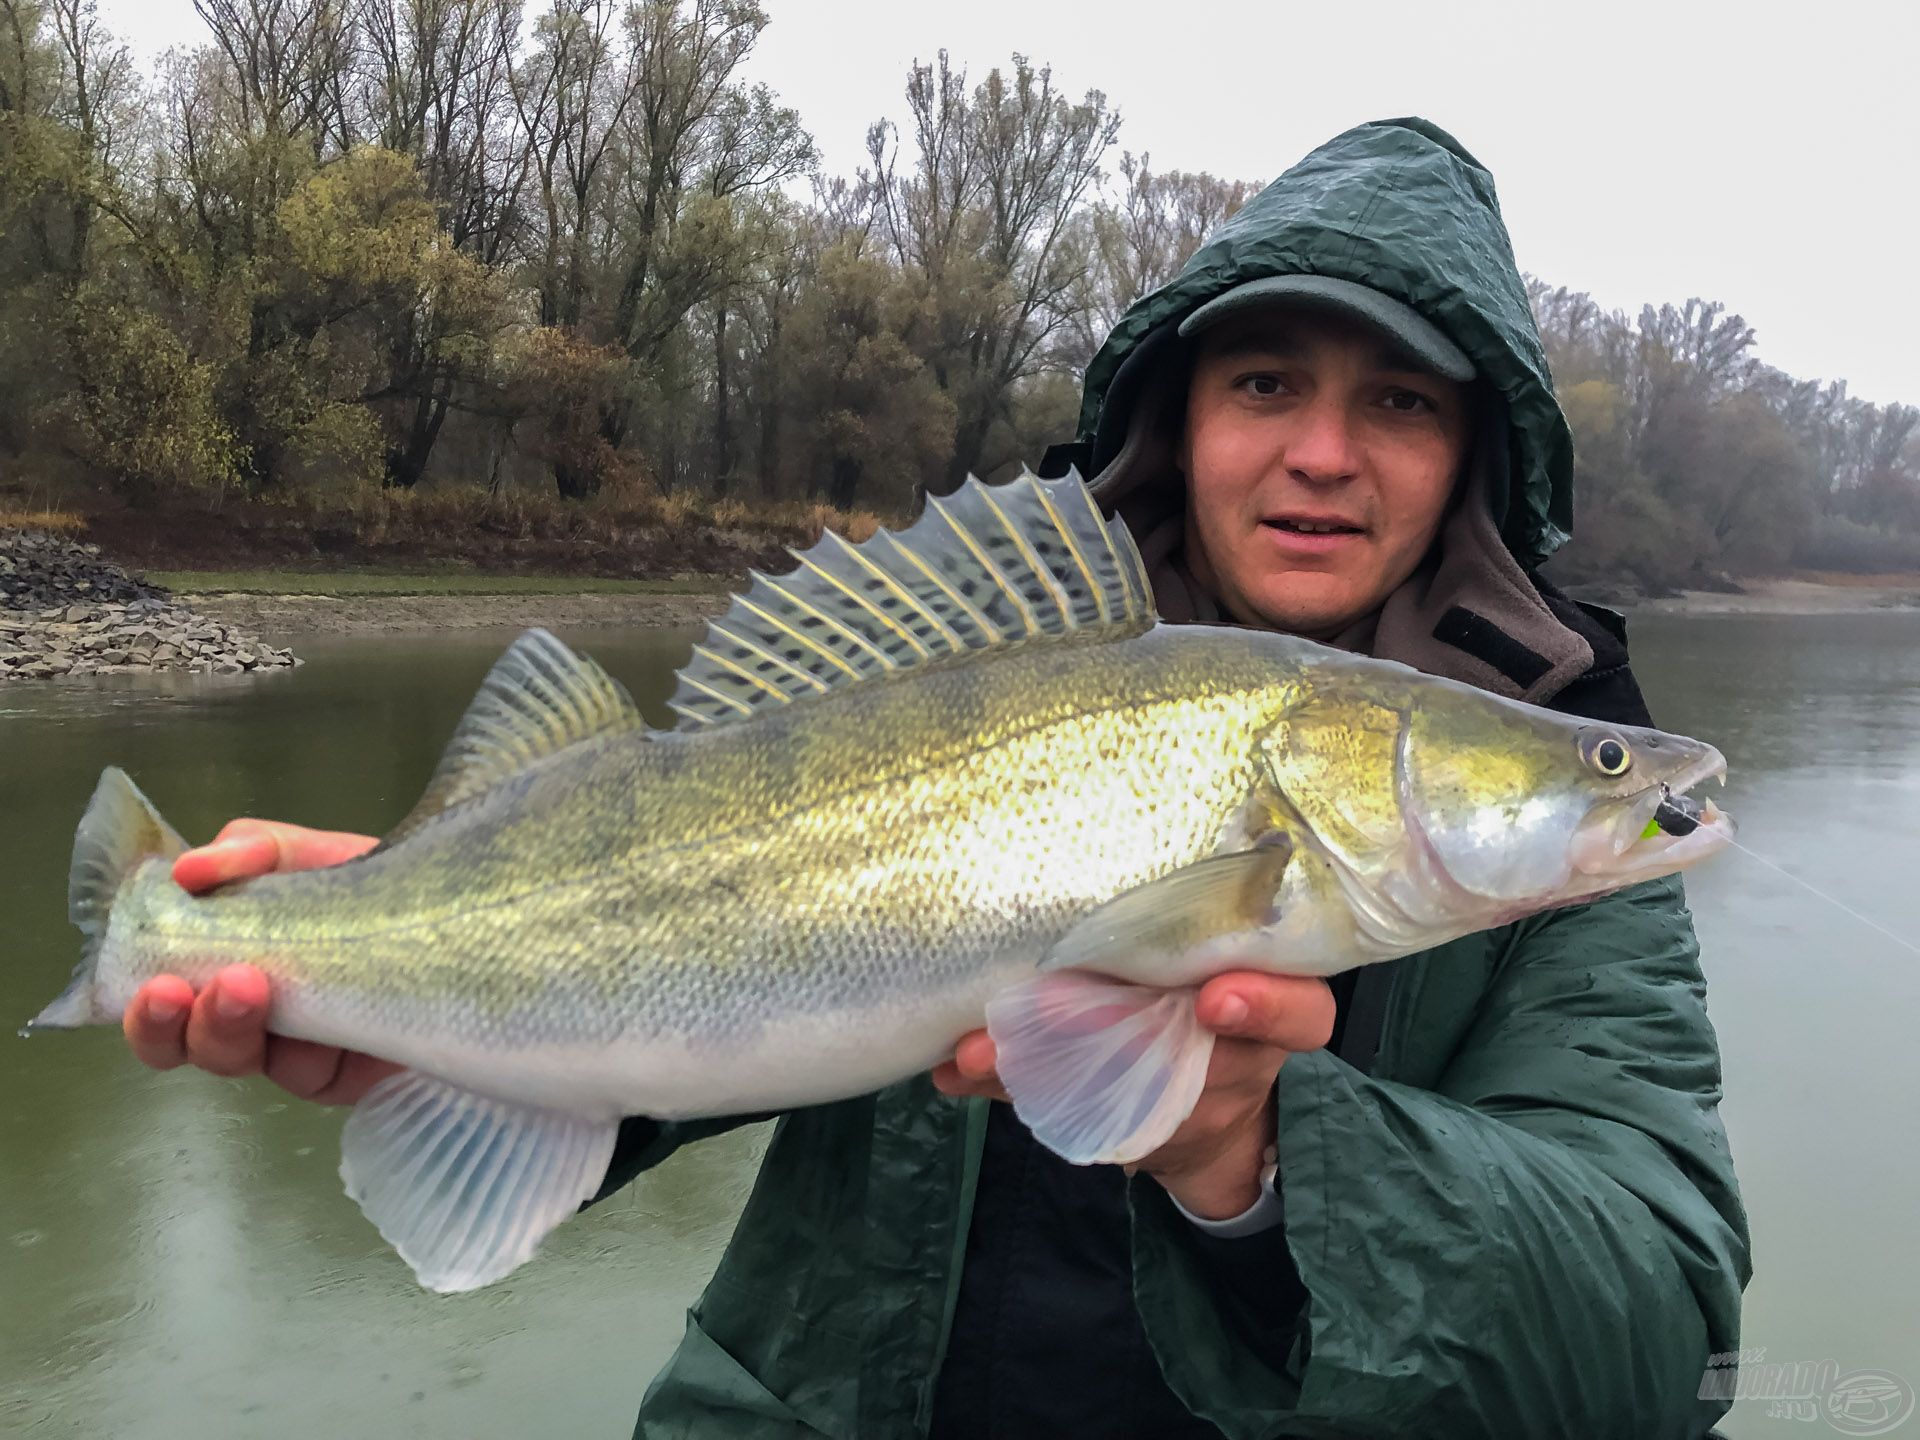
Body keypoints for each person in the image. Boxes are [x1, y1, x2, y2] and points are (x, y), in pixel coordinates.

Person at [121, 118, 1750, 1438]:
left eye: (1398, 401)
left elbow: (1659, 1354)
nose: (1323, 452)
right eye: (1265, 385)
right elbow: (761, 996)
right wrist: (424, 975)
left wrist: (1260, 1155)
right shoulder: (979, 655)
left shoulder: (1570, 852)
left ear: (1472, 456)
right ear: (1182, 418)